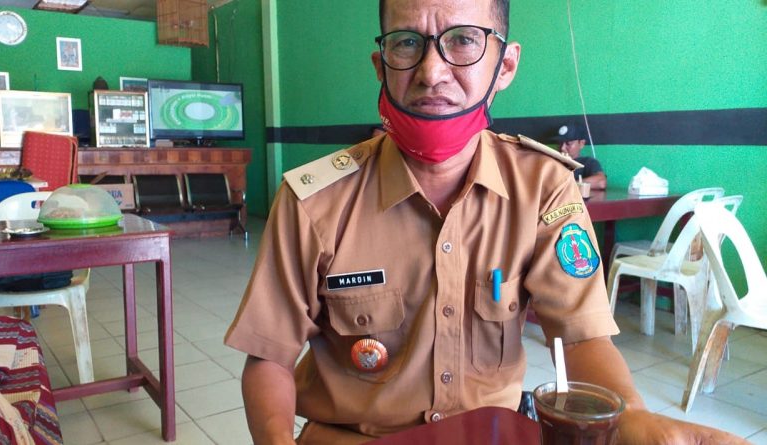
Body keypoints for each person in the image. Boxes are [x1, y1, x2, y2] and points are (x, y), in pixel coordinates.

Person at [224, 1, 748, 444]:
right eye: (407, 43)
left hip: (491, 434)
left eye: (464, 40)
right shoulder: (314, 201)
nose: (432, 72)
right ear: (381, 66)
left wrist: (630, 417)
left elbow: (581, 337)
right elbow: (269, 358)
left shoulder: (543, 187)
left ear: (506, 64)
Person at [555, 122, 607, 190]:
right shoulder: (552, 162)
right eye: (560, 143)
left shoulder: (588, 162)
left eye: (568, 143)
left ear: (581, 143)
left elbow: (601, 182)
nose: (562, 148)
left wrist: (568, 186)